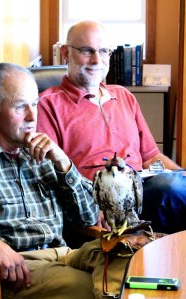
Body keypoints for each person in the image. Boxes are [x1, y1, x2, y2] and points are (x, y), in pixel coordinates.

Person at [0, 63, 129, 299]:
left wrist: (64, 165)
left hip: (64, 254)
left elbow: (88, 217)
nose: (33, 116)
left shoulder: (43, 155)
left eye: (35, 104)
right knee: (92, 287)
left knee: (131, 257)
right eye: (20, 107)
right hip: (14, 269)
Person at [37, 20, 186, 234]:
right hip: (100, 202)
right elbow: (48, 178)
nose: (97, 60)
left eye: (104, 51)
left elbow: (152, 158)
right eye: (87, 51)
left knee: (174, 185)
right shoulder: (48, 105)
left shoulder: (123, 96)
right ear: (65, 53)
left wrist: (182, 175)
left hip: (143, 190)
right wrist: (92, 206)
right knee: (170, 189)